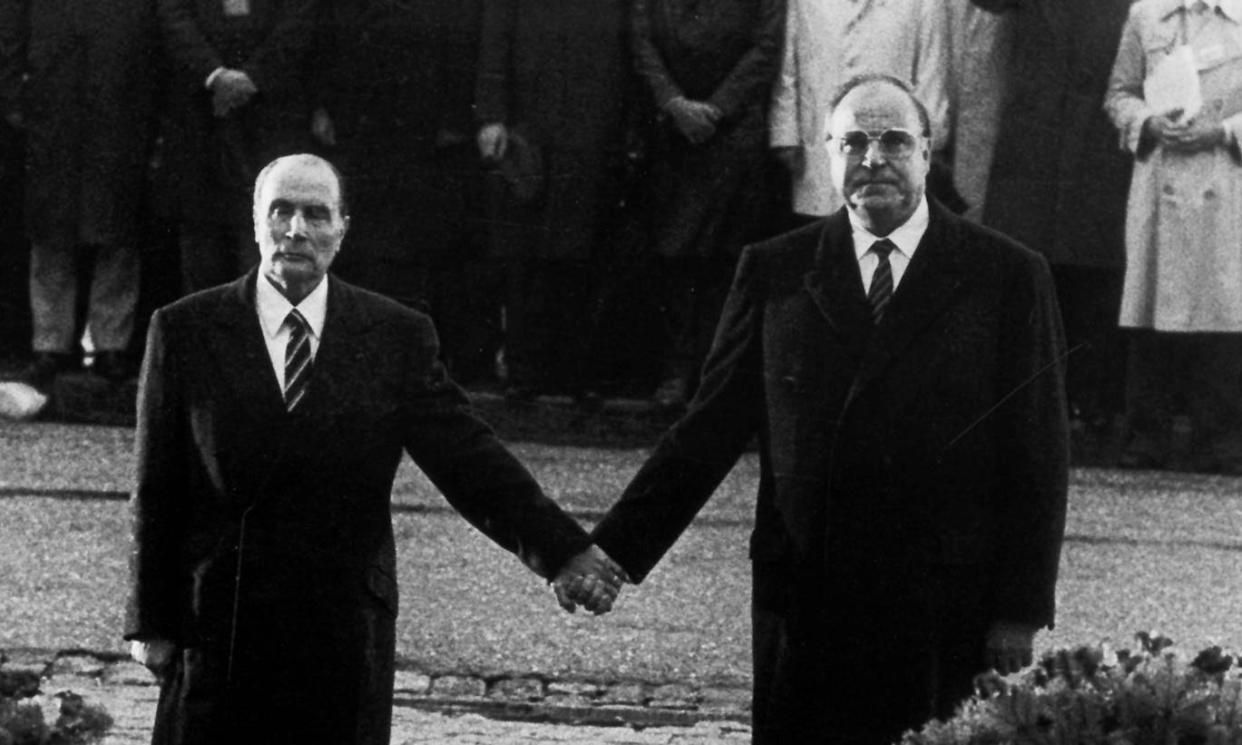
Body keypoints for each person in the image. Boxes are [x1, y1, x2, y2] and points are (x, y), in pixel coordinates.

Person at [584, 75, 1070, 744]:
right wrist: (611, 551)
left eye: (896, 141)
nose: (874, 159)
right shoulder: (775, 270)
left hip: (941, 606)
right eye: (855, 142)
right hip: (807, 601)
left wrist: (1019, 610)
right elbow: (706, 432)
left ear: (929, 154)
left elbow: (1037, 452)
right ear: (827, 155)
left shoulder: (1007, 276)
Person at [123, 153, 624, 745]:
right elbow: (156, 487)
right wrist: (149, 622)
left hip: (340, 627)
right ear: (255, 220)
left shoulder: (395, 335)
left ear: (342, 229)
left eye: (315, 214)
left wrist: (562, 551)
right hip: (219, 626)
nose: (296, 230)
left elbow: (469, 460)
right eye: (280, 211)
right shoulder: (184, 329)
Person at [984, 0, 1133, 435]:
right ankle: (1030, 407)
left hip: (1104, 135)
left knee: (1097, 276)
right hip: (1036, 141)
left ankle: (1091, 407)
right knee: (1030, 272)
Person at [1106, 0, 1242, 472]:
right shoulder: (1148, 14)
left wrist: (1224, 131)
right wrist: (1146, 121)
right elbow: (1120, 92)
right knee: (1151, 301)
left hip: (1227, 182)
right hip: (1160, 178)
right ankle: (1146, 432)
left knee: (1223, 300)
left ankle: (1220, 435)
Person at [630, 0, 785, 409]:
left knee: (725, 260)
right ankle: (675, 371)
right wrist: (674, 104)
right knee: (672, 257)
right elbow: (641, 40)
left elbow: (766, 46)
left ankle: (715, 373)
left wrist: (717, 108)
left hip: (733, 133)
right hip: (669, 132)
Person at [475, 0, 630, 402]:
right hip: (529, 127)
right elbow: (495, 37)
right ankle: (525, 369)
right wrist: (492, 115)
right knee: (523, 251)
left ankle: (578, 371)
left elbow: (629, 41)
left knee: (584, 248)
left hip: (596, 122)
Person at [0, 0, 158, 386]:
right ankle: (50, 345)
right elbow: (10, 30)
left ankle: (109, 346)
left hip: (121, 106)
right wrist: (13, 98)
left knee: (118, 233)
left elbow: (153, 38)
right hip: (52, 104)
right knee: (50, 231)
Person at [157, 0, 318, 295]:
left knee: (269, 235)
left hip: (273, 116)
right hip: (198, 114)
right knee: (201, 246)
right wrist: (214, 76)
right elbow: (172, 16)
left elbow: (300, 18)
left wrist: (254, 78)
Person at [769, 0, 950, 220]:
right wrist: (785, 134)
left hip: (893, 144)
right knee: (826, 228)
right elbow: (789, 66)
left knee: (883, 220)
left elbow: (932, 77)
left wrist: (928, 140)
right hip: (820, 140)